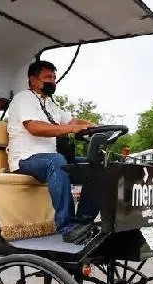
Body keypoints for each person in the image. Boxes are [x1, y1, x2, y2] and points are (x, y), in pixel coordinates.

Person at [6, 60, 97, 240]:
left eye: (54, 78)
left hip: (52, 158)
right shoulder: (23, 98)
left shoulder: (50, 104)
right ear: (33, 80)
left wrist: (95, 126)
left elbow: (72, 121)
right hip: (26, 159)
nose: (53, 81)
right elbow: (35, 127)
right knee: (57, 161)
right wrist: (71, 130)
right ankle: (67, 226)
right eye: (48, 77)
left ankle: (83, 223)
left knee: (94, 165)